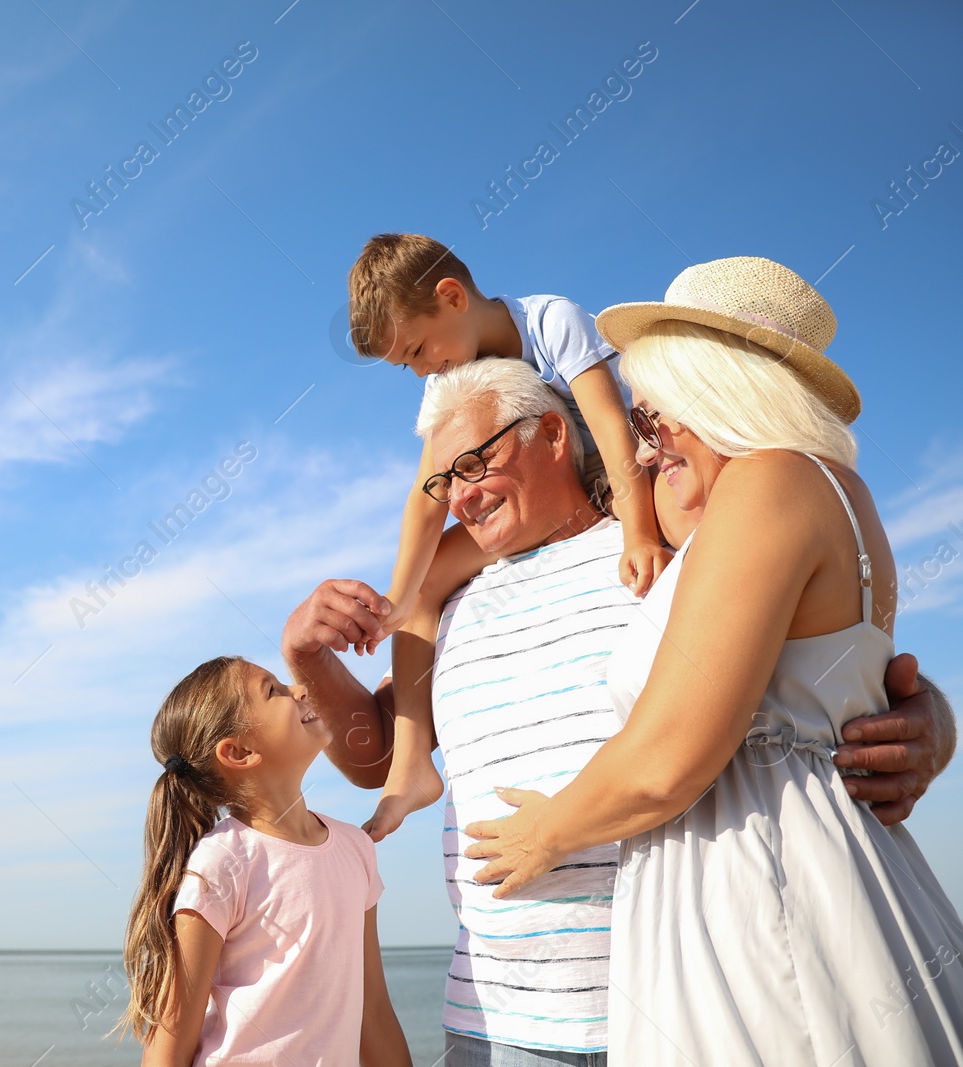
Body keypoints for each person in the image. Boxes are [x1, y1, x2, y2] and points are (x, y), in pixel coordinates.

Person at [280, 366, 956, 1064]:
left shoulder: (663, 554)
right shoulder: (447, 606)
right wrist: (305, 657)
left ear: (550, 434)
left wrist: (925, 714)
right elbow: (375, 757)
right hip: (492, 1018)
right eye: (445, 480)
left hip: (675, 1002)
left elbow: (823, 647)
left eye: (477, 463)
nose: (461, 495)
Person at [463, 257, 963, 1064]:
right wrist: (935, 716)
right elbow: (850, 670)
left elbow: (669, 758)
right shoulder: (816, 493)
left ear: (716, 390)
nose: (646, 446)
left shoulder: (771, 483)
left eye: (656, 416)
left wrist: (542, 834)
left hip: (756, 883)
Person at [346, 234, 671, 842]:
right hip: (539, 500)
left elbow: (610, 430)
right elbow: (427, 500)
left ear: (451, 297)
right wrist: (394, 600)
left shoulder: (552, 322)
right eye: (406, 365)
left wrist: (642, 534)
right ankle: (412, 762)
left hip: (623, 475)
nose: (419, 369)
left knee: (687, 514)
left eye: (417, 349)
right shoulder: (447, 375)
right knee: (425, 591)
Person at [118, 656, 410, 1067]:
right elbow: (171, 1038)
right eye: (274, 690)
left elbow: (374, 1010)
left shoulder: (356, 848)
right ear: (239, 752)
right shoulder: (222, 863)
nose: (300, 690)